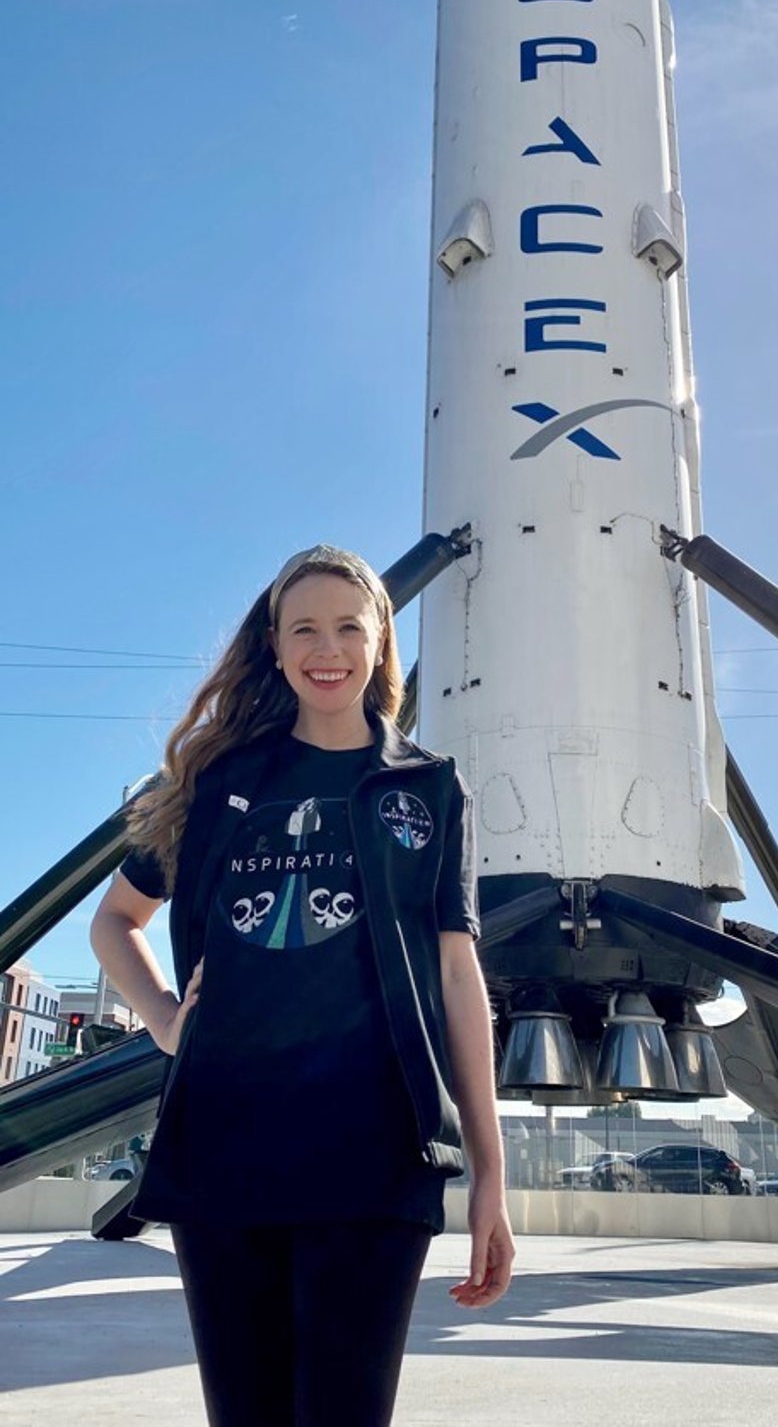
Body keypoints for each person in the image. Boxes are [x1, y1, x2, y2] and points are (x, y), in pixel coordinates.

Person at [91, 544, 514, 1427]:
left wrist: (489, 1175)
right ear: (277, 649)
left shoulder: (426, 787)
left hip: (376, 1151)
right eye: (305, 629)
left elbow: (456, 972)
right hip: (226, 1144)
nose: (329, 648)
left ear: (379, 641)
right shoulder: (217, 782)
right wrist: (167, 1022)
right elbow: (114, 921)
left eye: (349, 627)